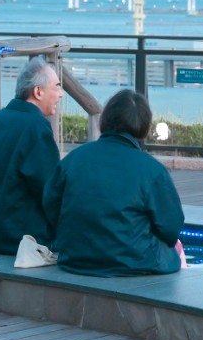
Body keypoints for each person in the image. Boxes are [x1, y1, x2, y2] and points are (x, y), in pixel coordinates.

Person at [43, 89, 184, 277]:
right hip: (136, 262)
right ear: (144, 125)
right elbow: (171, 228)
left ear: (106, 119)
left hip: (75, 258)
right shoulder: (152, 170)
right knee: (177, 249)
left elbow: (50, 204)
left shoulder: (74, 158)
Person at [0, 56, 63, 254]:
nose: (61, 94)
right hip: (22, 240)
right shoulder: (36, 127)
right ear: (38, 92)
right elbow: (49, 189)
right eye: (57, 87)